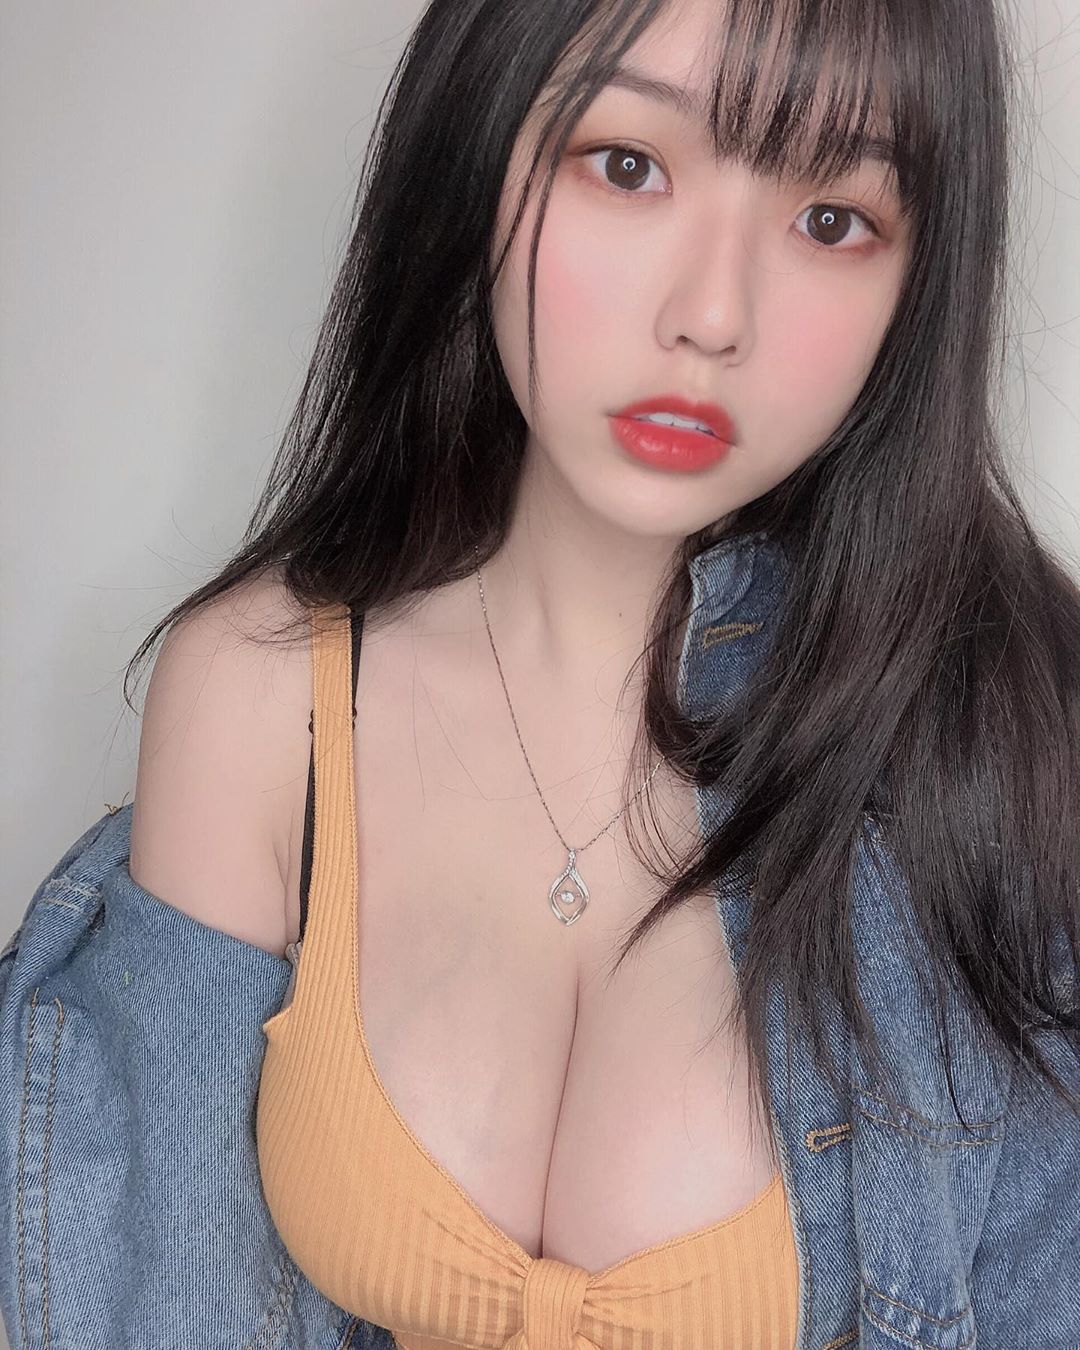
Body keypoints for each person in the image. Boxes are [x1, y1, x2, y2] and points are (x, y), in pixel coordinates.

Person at [5, 0, 1078, 1346]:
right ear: (478, 149)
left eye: (830, 220)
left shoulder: (1011, 742)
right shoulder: (261, 697)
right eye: (628, 166)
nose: (712, 315)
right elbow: (163, 1308)